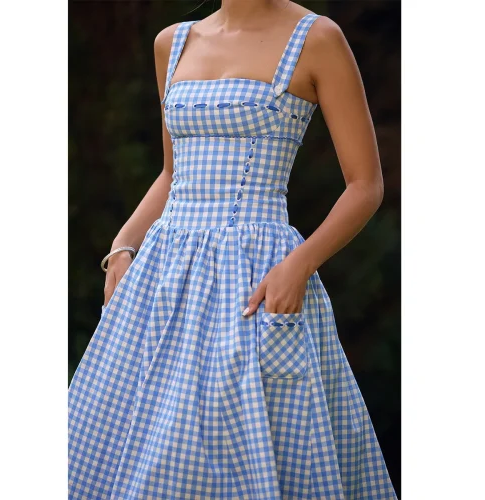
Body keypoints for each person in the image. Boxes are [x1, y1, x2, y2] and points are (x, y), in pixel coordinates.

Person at [68, 1, 398, 498]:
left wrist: (300, 264)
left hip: (255, 280)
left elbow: (365, 185)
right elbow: (172, 174)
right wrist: (122, 244)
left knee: (237, 451)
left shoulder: (316, 38)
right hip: (162, 279)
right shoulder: (171, 43)